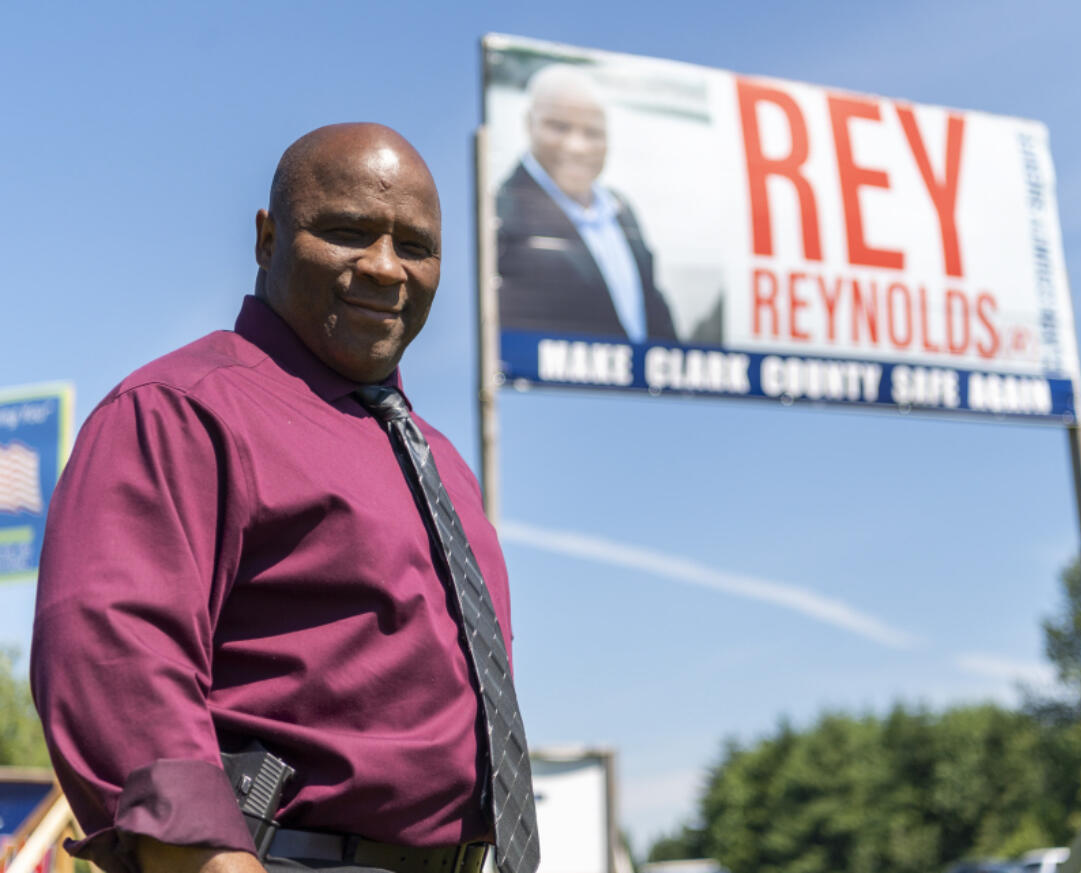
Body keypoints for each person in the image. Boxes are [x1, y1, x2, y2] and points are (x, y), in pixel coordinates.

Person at [31, 124, 534, 873]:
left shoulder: (441, 464)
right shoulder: (180, 409)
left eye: (416, 246)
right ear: (268, 238)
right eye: (347, 232)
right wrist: (204, 857)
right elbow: (116, 652)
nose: (386, 268)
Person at [496, 64, 678, 343]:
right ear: (529, 124)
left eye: (592, 132)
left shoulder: (621, 210)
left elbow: (652, 304)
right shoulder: (501, 214)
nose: (577, 147)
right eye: (559, 127)